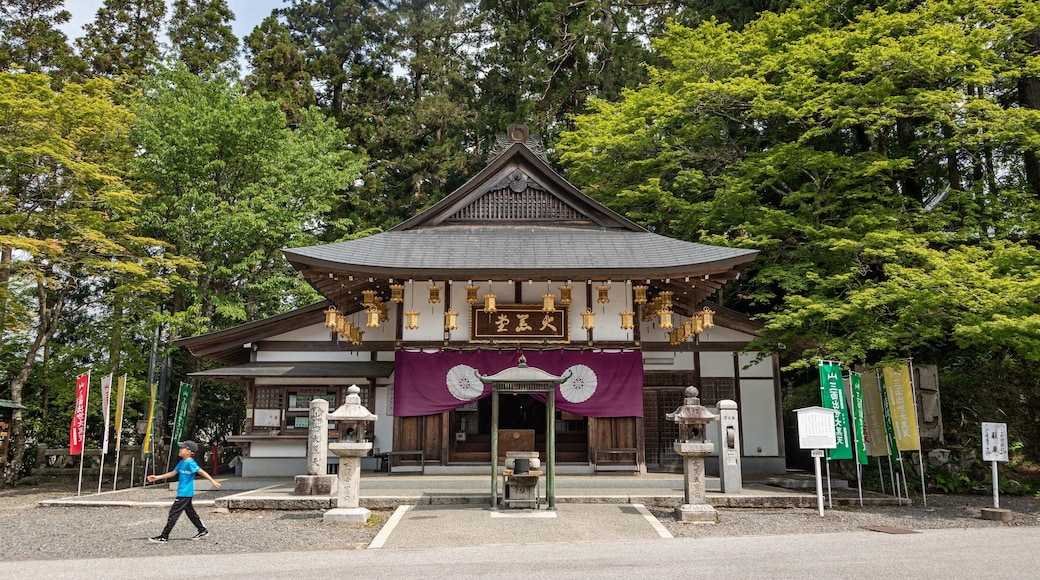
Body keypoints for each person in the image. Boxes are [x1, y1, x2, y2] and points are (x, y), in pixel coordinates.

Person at [147, 440, 222, 543]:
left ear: (188, 451)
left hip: (185, 493)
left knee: (173, 513)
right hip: (183, 492)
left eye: (182, 448)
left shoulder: (190, 462)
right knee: (190, 512)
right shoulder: (182, 462)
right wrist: (157, 477)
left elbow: (201, 471)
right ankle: (202, 530)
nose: (180, 449)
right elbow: (173, 473)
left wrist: (212, 481)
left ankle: (164, 536)